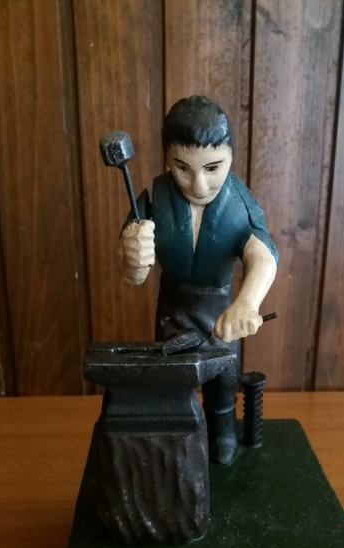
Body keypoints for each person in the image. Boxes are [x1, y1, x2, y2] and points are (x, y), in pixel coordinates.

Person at [118, 96, 279, 465]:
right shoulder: (154, 199)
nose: (199, 184)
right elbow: (133, 275)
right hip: (173, 306)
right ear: (167, 159)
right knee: (174, 381)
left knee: (224, 380)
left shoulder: (239, 203)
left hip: (220, 307)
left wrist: (247, 302)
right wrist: (133, 258)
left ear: (231, 157)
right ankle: (179, 442)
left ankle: (222, 432)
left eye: (212, 167)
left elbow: (263, 255)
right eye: (183, 167)